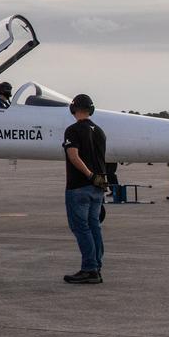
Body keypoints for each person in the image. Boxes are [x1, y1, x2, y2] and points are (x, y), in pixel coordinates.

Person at [62, 93, 108, 284]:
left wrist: (88, 175)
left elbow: (73, 156)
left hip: (80, 186)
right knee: (94, 226)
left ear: (73, 109)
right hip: (98, 186)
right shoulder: (99, 131)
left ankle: (89, 269)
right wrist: (97, 179)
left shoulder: (72, 130)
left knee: (81, 228)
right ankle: (96, 266)